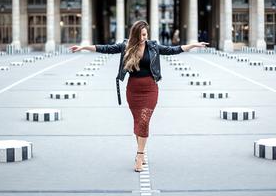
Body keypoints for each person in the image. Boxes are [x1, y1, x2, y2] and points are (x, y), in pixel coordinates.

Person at [70, 21, 208, 172]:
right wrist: (84, 47)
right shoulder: (126, 46)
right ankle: (141, 152)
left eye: (145, 34)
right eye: (141, 34)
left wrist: (193, 45)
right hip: (133, 90)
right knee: (138, 122)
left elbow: (173, 49)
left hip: (150, 89)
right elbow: (105, 48)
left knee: (144, 121)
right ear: (135, 34)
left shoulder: (153, 46)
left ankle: (140, 155)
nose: (144, 37)